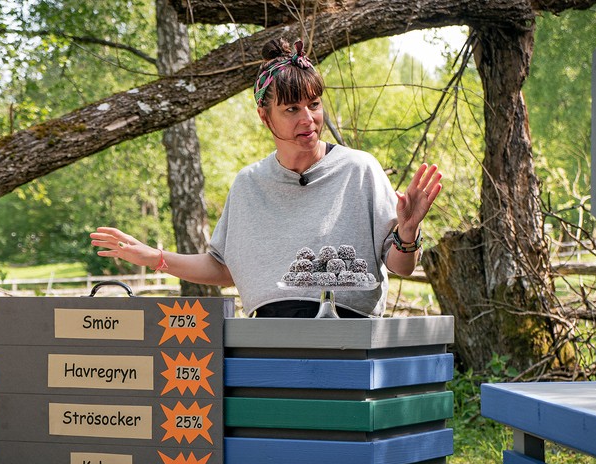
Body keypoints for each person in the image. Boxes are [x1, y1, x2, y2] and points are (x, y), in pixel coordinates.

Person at [91, 37, 442, 318]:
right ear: (264, 115)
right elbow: (224, 268)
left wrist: (407, 232)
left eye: (314, 105)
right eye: (292, 109)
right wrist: (155, 258)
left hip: (350, 339)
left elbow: (401, 267)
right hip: (267, 340)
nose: (308, 119)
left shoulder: (360, 170)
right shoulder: (249, 184)